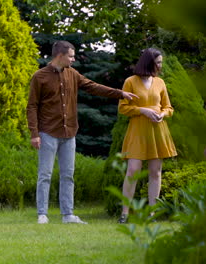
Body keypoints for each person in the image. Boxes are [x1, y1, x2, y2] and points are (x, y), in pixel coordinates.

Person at [27, 40, 138, 224]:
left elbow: (94, 86)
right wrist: (34, 133)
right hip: (47, 132)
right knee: (45, 175)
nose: (73, 59)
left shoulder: (73, 74)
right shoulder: (39, 77)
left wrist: (120, 93)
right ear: (60, 56)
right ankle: (42, 214)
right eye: (70, 56)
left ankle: (68, 215)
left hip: (69, 133)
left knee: (68, 175)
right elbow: (31, 106)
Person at [117, 48, 177, 224]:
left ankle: (152, 213)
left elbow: (169, 107)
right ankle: (125, 213)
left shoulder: (160, 82)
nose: (160, 65)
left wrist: (162, 114)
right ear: (148, 62)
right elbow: (122, 108)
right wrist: (142, 110)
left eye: (161, 62)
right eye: (158, 62)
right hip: (138, 130)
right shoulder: (130, 81)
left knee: (155, 172)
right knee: (133, 170)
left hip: (158, 130)